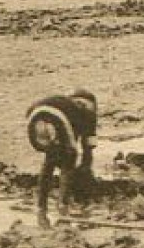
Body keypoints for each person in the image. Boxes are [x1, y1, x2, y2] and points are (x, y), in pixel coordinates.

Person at [28, 91, 98, 228]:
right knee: (69, 161)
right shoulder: (88, 114)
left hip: (34, 116)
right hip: (56, 118)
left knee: (50, 160)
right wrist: (83, 167)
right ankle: (63, 205)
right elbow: (87, 146)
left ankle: (41, 208)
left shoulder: (66, 103)